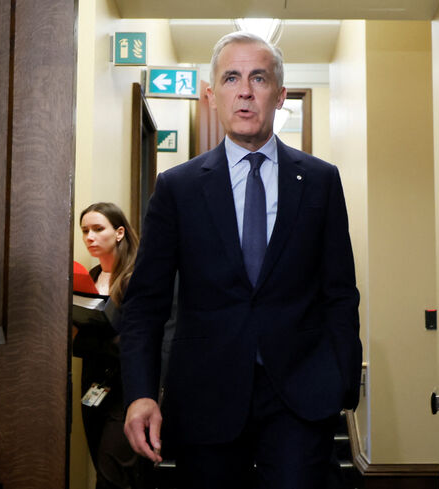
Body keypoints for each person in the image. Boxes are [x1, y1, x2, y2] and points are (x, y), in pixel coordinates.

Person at [118, 31, 362, 489]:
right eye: (231, 78)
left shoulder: (320, 181)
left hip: (300, 395)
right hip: (205, 394)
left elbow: (340, 293)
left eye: (259, 78)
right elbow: (145, 304)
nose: (245, 91)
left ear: (280, 94)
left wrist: (342, 381)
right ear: (212, 95)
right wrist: (141, 393)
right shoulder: (178, 188)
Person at [76, 202, 148, 489]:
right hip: (93, 385)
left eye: (97, 229)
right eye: (85, 231)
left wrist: (81, 340)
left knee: (113, 475)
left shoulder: (137, 277)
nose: (89, 237)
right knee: (99, 463)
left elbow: (135, 340)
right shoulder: (89, 277)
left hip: (127, 389)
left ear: (119, 233)